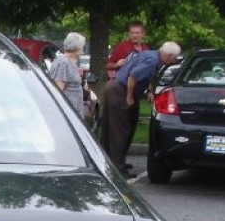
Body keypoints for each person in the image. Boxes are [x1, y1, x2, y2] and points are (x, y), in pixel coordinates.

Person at [102, 41, 181, 175]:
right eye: (173, 57)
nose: (173, 60)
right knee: (120, 130)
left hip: (114, 87)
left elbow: (144, 77)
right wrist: (129, 96)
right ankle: (117, 168)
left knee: (113, 128)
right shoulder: (152, 62)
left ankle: (109, 161)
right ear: (168, 55)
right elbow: (133, 76)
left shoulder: (150, 55)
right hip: (120, 90)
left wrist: (149, 91)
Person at [48, 32, 87, 122]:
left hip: (73, 115)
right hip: (67, 117)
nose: (82, 51)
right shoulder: (63, 64)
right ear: (76, 48)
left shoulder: (68, 63)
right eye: (82, 47)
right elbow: (57, 92)